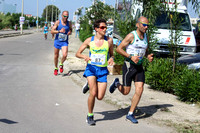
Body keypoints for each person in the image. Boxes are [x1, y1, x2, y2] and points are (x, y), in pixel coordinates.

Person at [109, 16, 154, 124]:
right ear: (137, 24)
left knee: (140, 89)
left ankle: (130, 113)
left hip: (139, 67)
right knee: (126, 91)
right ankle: (116, 84)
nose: (146, 27)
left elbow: (146, 51)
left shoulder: (146, 37)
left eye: (148, 25)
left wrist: (148, 56)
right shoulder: (131, 36)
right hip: (129, 65)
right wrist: (130, 56)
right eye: (144, 25)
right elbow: (119, 49)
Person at [75, 19, 114, 126]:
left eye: (105, 27)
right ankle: (90, 115)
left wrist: (112, 58)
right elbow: (77, 53)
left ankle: (89, 84)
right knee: (93, 93)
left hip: (102, 71)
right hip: (91, 69)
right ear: (96, 29)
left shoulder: (109, 41)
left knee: (100, 97)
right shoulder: (89, 40)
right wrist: (84, 56)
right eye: (102, 27)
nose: (105, 29)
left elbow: (112, 54)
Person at [51, 11, 72, 76]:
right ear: (62, 16)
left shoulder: (69, 23)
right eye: (65, 16)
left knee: (65, 55)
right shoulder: (58, 22)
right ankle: (56, 68)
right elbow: (52, 31)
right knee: (56, 56)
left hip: (64, 42)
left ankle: (61, 63)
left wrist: (69, 32)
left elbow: (71, 30)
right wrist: (59, 31)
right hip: (57, 41)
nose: (66, 17)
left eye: (67, 16)